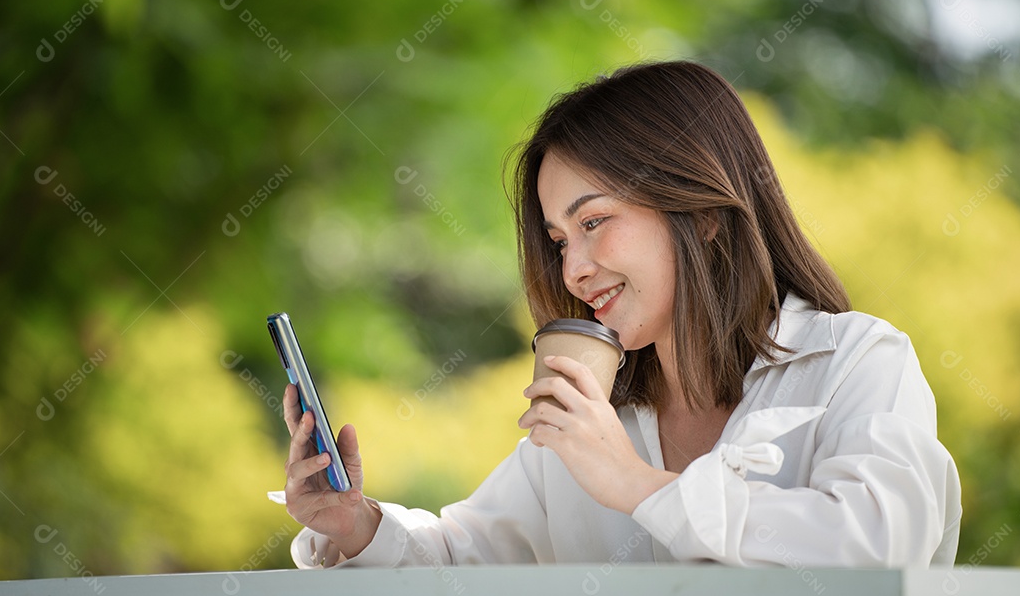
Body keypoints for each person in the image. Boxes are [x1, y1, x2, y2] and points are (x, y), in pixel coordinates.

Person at [282, 60, 962, 568]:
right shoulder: (595, 420)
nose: (573, 269)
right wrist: (355, 524)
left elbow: (881, 544)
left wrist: (639, 487)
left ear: (699, 214)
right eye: (558, 241)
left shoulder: (857, 362)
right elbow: (460, 556)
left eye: (595, 222)